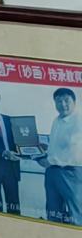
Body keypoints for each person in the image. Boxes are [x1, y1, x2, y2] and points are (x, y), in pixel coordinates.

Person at [45, 89, 81, 225]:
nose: (63, 104)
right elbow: (56, 146)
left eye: (66, 100)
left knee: (75, 213)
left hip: (71, 172)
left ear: (74, 102)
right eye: (59, 101)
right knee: (53, 212)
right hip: (52, 171)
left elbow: (72, 148)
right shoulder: (56, 120)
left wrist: (49, 159)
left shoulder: (79, 120)